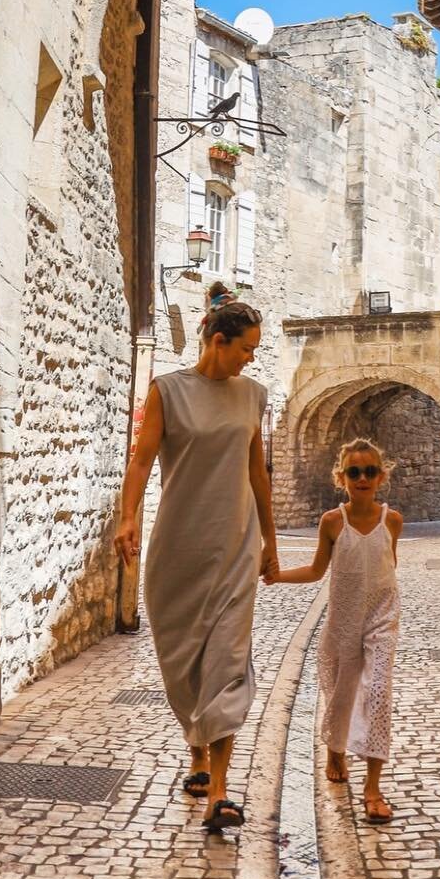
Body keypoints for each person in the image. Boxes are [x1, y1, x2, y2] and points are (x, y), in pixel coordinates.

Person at [114, 286, 278, 834]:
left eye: (254, 351)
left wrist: (271, 543)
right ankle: (198, 755)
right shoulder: (167, 391)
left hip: (235, 546)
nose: (250, 358)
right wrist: (129, 516)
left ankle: (222, 792)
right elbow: (140, 462)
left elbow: (259, 477)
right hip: (179, 549)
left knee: (228, 665)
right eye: (245, 348)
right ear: (215, 340)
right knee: (184, 666)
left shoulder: (252, 397)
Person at [265, 437, 403, 823]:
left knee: (378, 693)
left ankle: (373, 788)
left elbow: (389, 568)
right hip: (343, 621)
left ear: (381, 476)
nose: (363, 478)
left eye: (370, 471)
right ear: (341, 477)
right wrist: (277, 577)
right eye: (354, 472)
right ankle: (335, 750)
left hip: (381, 620)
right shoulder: (331, 522)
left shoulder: (392, 520)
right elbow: (315, 571)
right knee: (340, 695)